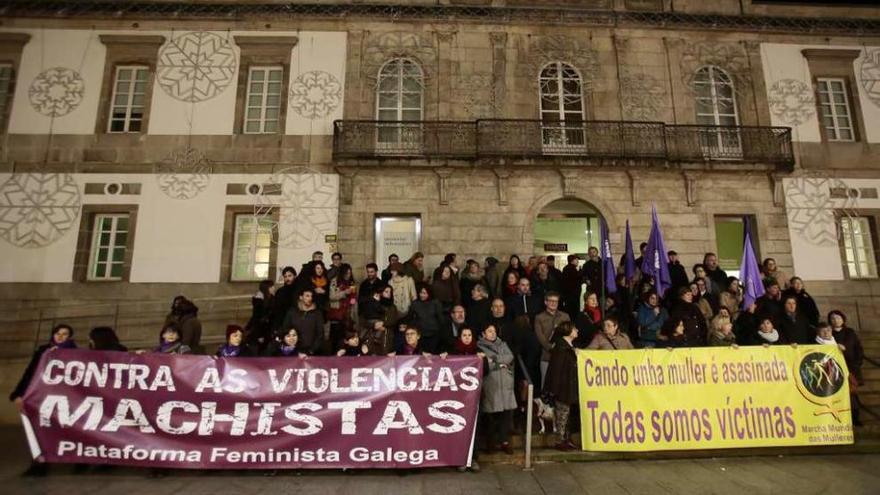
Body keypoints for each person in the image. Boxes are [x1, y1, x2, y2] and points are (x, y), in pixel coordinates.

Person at [10, 324, 75, 411]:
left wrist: (61, 353)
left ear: (69, 337)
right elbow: (30, 373)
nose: (60, 336)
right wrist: (19, 394)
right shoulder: (43, 350)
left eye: (64, 334)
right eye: (57, 333)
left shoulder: (75, 352)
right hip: (41, 392)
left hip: (62, 395)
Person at [478, 324, 517, 456]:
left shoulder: (503, 344)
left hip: (505, 384)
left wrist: (495, 360)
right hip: (491, 384)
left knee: (505, 415)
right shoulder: (479, 346)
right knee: (490, 416)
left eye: (494, 331)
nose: (493, 333)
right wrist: (500, 363)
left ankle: (504, 441)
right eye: (489, 331)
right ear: (484, 334)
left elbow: (510, 357)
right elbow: (485, 363)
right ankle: (491, 443)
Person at [543, 321, 579, 451]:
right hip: (563, 386)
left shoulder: (568, 347)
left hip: (569, 384)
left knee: (566, 413)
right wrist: (554, 390)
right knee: (562, 413)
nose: (577, 331)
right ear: (568, 331)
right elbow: (556, 370)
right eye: (574, 328)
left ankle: (565, 438)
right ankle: (560, 439)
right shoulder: (561, 348)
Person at [828, 310, 865, 425]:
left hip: (851, 368)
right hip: (834, 369)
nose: (836, 320)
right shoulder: (828, 333)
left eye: (838, 318)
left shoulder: (850, 332)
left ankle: (855, 418)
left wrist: (857, 364)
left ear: (843, 319)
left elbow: (858, 349)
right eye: (833, 318)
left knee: (852, 394)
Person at [534, 291, 570, 385]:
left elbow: (569, 334)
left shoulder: (565, 316)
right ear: (545, 302)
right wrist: (551, 347)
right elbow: (540, 337)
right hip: (547, 356)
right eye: (551, 301)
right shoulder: (539, 317)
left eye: (556, 301)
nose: (553, 303)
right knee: (546, 383)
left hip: (563, 355)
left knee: (562, 383)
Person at [281, 288, 325, 355]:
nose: (310, 298)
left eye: (311, 296)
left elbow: (320, 335)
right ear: (301, 297)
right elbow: (285, 330)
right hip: (294, 352)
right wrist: (291, 349)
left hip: (311, 352)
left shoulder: (317, 314)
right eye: (307, 296)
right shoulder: (292, 312)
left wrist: (311, 351)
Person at [328, 263, 357, 351]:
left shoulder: (352, 283)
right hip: (336, 314)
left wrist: (353, 299)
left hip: (348, 314)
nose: (348, 275)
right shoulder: (334, 281)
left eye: (349, 273)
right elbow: (331, 296)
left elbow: (354, 296)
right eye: (346, 273)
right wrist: (344, 292)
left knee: (347, 340)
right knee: (336, 340)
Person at [410, 285, 445, 353]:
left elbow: (441, 318)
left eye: (424, 293)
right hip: (421, 334)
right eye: (421, 293)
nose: (422, 295)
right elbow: (410, 318)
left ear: (429, 293)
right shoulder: (415, 303)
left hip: (434, 334)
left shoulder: (435, 302)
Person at [246, 279, 275, 352]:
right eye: (271, 287)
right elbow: (257, 318)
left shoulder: (271, 298)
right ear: (266, 288)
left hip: (267, 330)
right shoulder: (259, 301)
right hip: (259, 331)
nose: (273, 288)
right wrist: (260, 335)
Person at [271, 266, 298, 332]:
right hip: (282, 323)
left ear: (294, 276)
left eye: (289, 276)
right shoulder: (280, 291)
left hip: (296, 322)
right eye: (285, 276)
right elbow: (276, 310)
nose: (287, 278)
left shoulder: (299, 290)